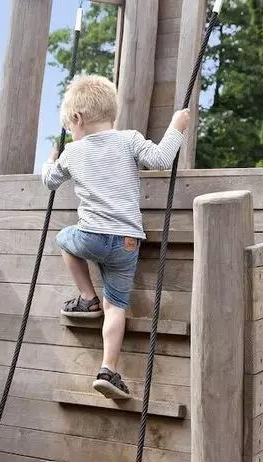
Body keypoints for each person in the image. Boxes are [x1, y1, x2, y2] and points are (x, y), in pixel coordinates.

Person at [40, 74, 191, 400]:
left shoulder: (72, 151)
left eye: (71, 125)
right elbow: (162, 159)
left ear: (76, 119)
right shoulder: (129, 139)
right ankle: (108, 369)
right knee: (117, 306)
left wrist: (50, 158)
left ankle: (86, 296)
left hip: (91, 235)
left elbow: (49, 181)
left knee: (64, 238)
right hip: (127, 242)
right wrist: (177, 126)